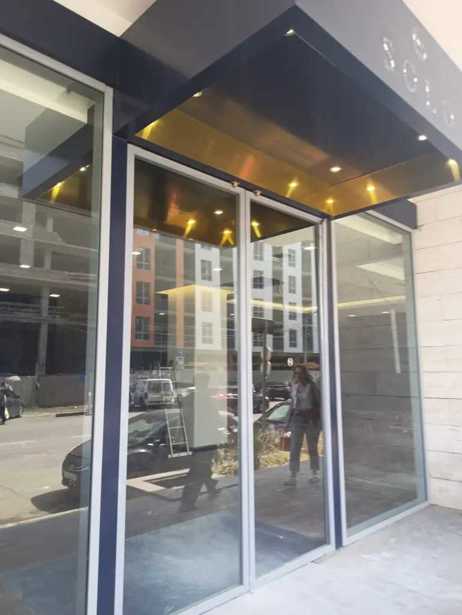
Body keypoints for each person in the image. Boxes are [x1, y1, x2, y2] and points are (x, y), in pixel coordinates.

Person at [284, 364, 321, 486]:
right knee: (295, 447)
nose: (297, 375)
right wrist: (287, 422)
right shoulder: (294, 386)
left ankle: (314, 473)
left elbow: (319, 403)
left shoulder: (312, 386)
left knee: (312, 447)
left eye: (299, 373)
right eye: (295, 373)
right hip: (298, 418)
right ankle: (293, 476)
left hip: (310, 418)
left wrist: (318, 421)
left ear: (305, 374)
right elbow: (292, 405)